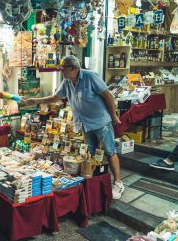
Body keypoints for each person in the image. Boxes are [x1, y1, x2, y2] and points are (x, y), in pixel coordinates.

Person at [26, 55, 124, 199]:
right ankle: (91, 182)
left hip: (101, 121)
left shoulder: (90, 77)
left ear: (74, 69)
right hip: (84, 123)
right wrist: (36, 101)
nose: (61, 71)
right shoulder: (67, 82)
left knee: (109, 151)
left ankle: (118, 182)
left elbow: (108, 96)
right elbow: (55, 98)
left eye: (64, 68)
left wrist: (114, 116)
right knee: (90, 152)